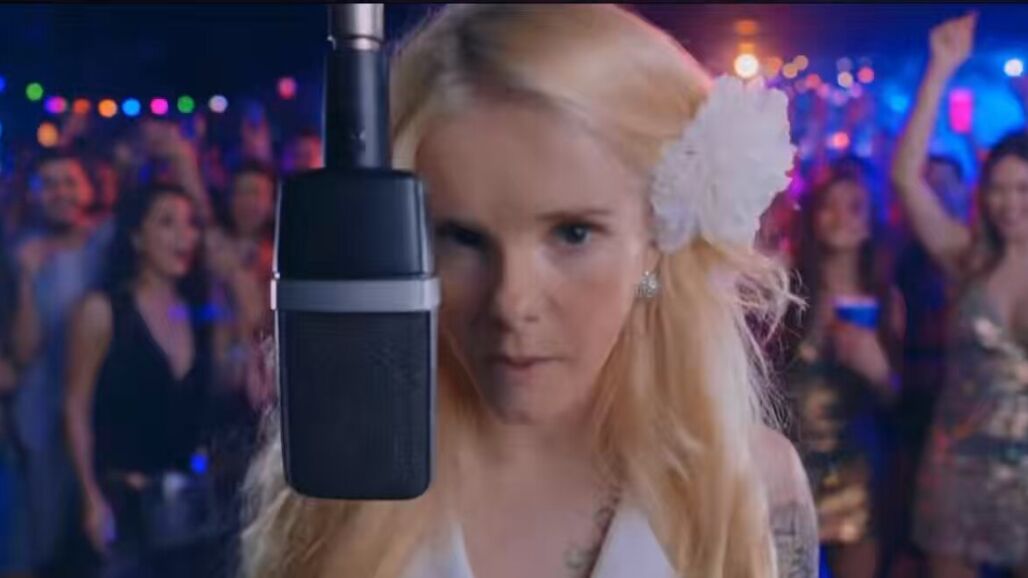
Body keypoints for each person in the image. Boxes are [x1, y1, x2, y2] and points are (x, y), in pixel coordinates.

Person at [242, 6, 816, 578]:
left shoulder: (750, 491)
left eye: (572, 234)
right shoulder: (340, 496)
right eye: (463, 238)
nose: (511, 304)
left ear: (655, 240)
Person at [891, 12, 1028, 578]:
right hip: (957, 464)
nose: (1008, 202)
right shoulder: (969, 259)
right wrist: (940, 70)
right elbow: (906, 179)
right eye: (997, 189)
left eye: (1023, 188)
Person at [63, 184, 222, 577]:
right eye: (167, 223)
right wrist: (89, 496)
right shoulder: (102, 311)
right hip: (123, 506)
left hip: (187, 511)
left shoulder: (200, 315)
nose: (184, 236)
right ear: (136, 237)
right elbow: (75, 406)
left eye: (190, 224)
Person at [783, 174, 906, 578]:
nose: (839, 216)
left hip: (857, 469)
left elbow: (899, 402)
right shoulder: (789, 287)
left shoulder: (886, 300)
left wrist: (880, 371)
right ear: (813, 217)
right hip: (790, 468)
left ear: (870, 223)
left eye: (854, 207)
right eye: (828, 205)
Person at [7, 150, 110, 574]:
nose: (60, 193)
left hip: (104, 417)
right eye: (48, 184)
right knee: (46, 547)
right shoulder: (20, 254)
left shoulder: (108, 243)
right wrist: (27, 278)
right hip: (41, 423)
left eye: (69, 181)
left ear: (87, 188)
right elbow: (22, 352)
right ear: (33, 194)